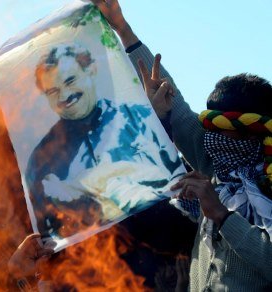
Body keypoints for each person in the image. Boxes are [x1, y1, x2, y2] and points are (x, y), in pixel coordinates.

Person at [92, 0, 272, 290]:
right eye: (211, 130)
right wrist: (124, 30)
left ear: (253, 134)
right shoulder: (212, 163)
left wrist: (222, 216)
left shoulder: (268, 183)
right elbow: (175, 104)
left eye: (227, 132)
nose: (216, 140)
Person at [27, 41, 183, 238]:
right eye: (53, 91)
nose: (64, 95)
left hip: (169, 249)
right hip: (105, 263)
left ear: (91, 70)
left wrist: (159, 119)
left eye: (70, 81)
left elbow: (173, 177)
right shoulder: (41, 160)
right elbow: (49, 232)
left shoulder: (138, 118)